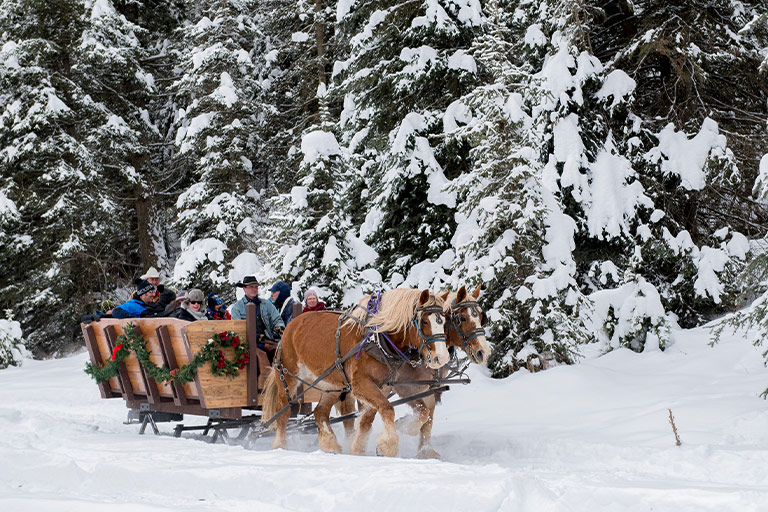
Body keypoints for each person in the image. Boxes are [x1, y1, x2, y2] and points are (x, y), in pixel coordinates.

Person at [230, 276, 284, 351]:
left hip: (268, 340)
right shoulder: (237, 308)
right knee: (263, 356)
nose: (254, 289)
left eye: (256, 287)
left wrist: (279, 327)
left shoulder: (266, 304)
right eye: (251, 287)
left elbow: (277, 319)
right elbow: (238, 330)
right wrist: (255, 337)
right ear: (244, 288)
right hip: (249, 345)